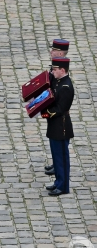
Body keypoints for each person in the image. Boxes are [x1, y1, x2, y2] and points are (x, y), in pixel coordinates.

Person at [41, 56, 74, 196]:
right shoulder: (58, 80)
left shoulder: (66, 86)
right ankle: (58, 182)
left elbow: (60, 108)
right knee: (56, 156)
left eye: (55, 69)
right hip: (55, 126)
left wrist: (46, 112)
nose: (53, 72)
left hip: (61, 126)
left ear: (62, 70)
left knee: (61, 158)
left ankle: (63, 186)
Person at [44, 39, 69, 175]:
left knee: (60, 143)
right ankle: (56, 163)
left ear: (59, 52)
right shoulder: (56, 65)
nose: (51, 51)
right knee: (55, 140)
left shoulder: (61, 67)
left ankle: (59, 165)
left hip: (58, 111)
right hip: (52, 106)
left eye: (53, 50)